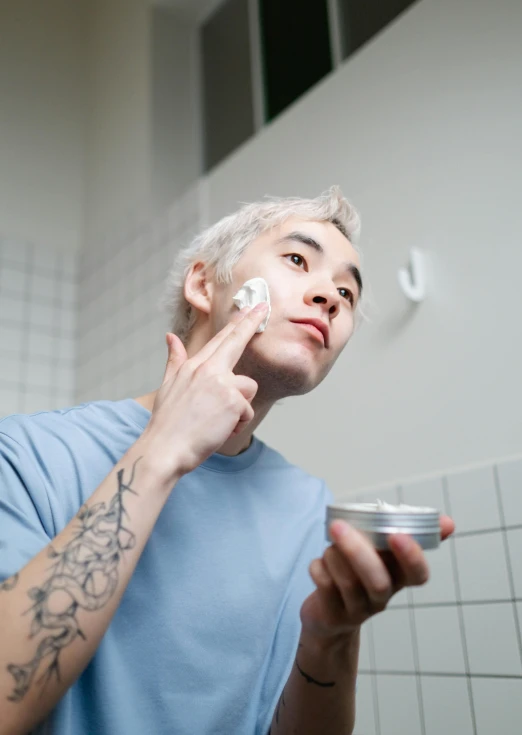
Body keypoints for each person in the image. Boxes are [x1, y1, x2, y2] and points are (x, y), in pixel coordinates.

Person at [0, 187, 454, 735]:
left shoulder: (306, 506)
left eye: (346, 293)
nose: (331, 298)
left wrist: (330, 640)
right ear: (202, 284)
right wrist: (162, 452)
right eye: (296, 259)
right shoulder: (26, 454)